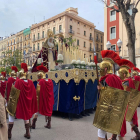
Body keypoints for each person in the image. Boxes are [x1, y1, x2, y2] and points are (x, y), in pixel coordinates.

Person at [93, 50, 129, 140]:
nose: (100, 71)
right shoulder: (115, 77)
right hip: (118, 108)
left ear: (105, 69)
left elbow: (109, 94)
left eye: (101, 69)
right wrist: (103, 88)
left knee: (101, 129)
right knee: (117, 129)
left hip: (109, 108)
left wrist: (101, 89)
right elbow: (114, 90)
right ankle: (114, 137)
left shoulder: (107, 79)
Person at [7, 63, 38, 139]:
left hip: (19, 103)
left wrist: (10, 106)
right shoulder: (30, 82)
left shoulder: (18, 82)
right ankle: (27, 133)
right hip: (27, 104)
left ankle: (9, 134)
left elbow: (14, 95)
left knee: (11, 116)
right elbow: (34, 94)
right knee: (26, 117)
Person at [31, 65, 54, 129]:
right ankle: (49, 123)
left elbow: (38, 92)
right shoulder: (50, 81)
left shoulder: (40, 81)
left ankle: (33, 124)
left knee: (36, 110)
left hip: (42, 98)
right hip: (49, 99)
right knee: (49, 110)